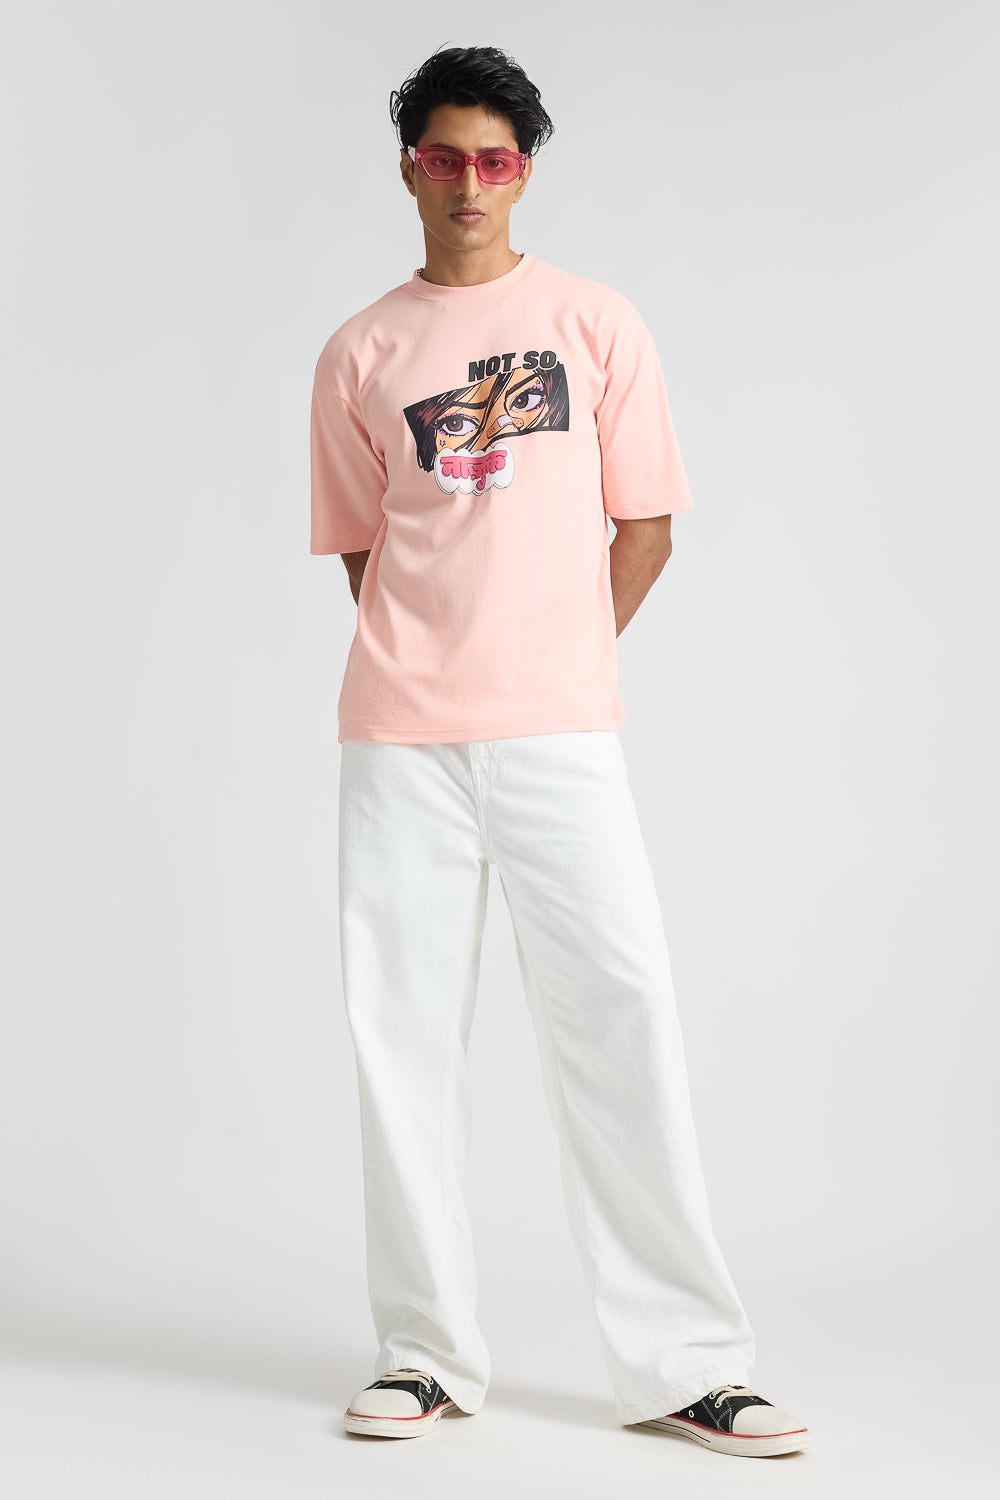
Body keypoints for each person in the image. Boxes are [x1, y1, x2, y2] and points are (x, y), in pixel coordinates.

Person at [309, 44, 808, 1460]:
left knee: (622, 1018)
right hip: (400, 743)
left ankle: (688, 1363)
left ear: (524, 172)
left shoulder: (595, 323)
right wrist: (439, 659)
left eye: (496, 159)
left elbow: (645, 526)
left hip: (560, 738)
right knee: (402, 1039)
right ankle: (423, 1354)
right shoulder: (359, 351)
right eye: (445, 158)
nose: (470, 184)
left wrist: (552, 660)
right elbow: (362, 549)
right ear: (409, 168)